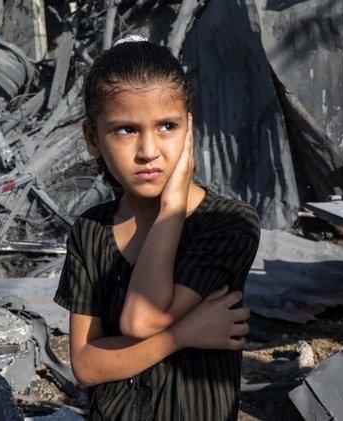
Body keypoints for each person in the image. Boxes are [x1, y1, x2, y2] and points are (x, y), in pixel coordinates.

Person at [53, 39, 260, 420]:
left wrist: (172, 208)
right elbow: (86, 365)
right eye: (126, 130)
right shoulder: (90, 231)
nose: (148, 150)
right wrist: (181, 335)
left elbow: (139, 320)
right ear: (92, 138)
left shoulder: (228, 223)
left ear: (189, 128)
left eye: (167, 126)